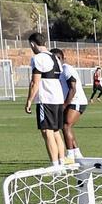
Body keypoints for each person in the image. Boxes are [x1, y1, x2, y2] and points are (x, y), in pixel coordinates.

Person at [23, 33, 66, 166]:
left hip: (46, 98)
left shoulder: (38, 58)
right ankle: (62, 163)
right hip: (58, 98)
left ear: (32, 44)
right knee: (55, 132)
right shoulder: (55, 57)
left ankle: (55, 166)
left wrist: (29, 101)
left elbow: (35, 83)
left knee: (47, 132)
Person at [52, 48, 86, 162]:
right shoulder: (59, 72)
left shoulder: (67, 69)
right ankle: (77, 153)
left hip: (76, 101)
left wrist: (64, 105)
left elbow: (73, 88)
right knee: (65, 126)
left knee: (66, 126)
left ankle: (70, 155)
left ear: (62, 58)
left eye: (57, 58)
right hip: (70, 101)